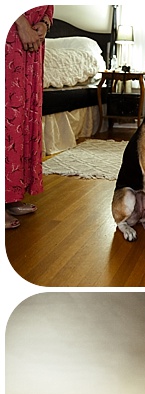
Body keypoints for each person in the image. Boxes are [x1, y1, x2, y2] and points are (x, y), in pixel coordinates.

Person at [5, 6, 52, 230]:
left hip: (33, 44)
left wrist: (45, 24)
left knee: (22, 117)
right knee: (7, 116)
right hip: (10, 35)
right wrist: (22, 24)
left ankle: (10, 195)